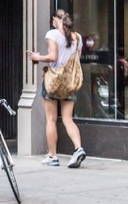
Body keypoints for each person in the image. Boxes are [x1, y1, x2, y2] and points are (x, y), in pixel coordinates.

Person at [28, 9, 87, 168]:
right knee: (68, 119)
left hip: (53, 82)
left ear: (55, 19)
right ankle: (78, 148)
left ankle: (53, 156)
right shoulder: (78, 37)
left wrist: (37, 57)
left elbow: (53, 57)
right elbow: (75, 61)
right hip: (69, 83)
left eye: (53, 20)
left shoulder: (52, 34)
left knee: (51, 119)